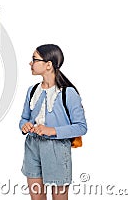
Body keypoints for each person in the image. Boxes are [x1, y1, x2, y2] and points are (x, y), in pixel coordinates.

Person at [19, 44, 87, 200]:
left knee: (59, 197)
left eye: (34, 59)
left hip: (56, 149)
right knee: (36, 197)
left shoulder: (68, 93)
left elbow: (81, 127)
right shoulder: (32, 90)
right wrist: (25, 125)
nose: (31, 63)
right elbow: (23, 118)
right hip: (32, 146)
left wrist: (52, 130)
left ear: (48, 65)